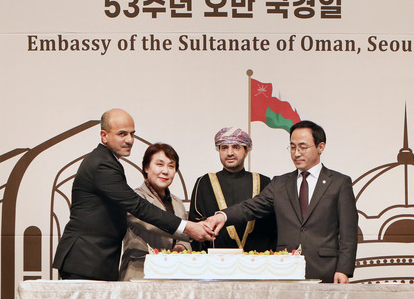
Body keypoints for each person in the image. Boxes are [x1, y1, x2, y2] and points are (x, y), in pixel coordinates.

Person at [52, 108, 213, 281]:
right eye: (122, 134)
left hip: (97, 260)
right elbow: (137, 206)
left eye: (132, 134)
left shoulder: (108, 161)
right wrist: (187, 228)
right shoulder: (102, 165)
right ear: (104, 135)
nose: (129, 140)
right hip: (85, 259)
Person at [207, 121, 358, 283]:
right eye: (292, 147)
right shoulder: (280, 183)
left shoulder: (339, 183)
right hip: (285, 269)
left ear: (320, 147)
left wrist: (344, 269)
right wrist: (223, 216)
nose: (296, 153)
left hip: (326, 269)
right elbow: (250, 207)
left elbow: (349, 232)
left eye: (303, 147)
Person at [189, 127, 276, 252]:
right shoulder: (204, 182)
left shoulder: (263, 182)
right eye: (224, 147)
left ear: (246, 151)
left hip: (257, 262)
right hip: (215, 263)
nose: (230, 153)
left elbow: (272, 226)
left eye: (236, 147)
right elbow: (195, 225)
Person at [119, 143, 191, 280]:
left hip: (174, 274)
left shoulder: (177, 202)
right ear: (146, 167)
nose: (165, 171)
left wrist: (181, 247)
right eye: (159, 164)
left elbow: (186, 237)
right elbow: (153, 224)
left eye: (171, 166)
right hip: (140, 273)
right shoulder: (135, 199)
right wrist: (189, 230)